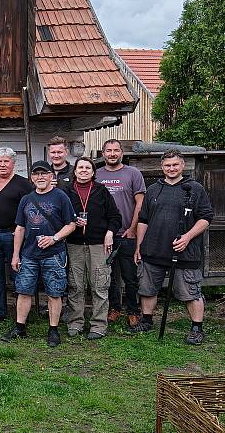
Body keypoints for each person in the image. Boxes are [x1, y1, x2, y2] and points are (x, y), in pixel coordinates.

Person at [131, 149, 213, 345]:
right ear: (162, 167)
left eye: (175, 165)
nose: (171, 168)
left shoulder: (194, 189)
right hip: (153, 249)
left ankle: (196, 328)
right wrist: (139, 246)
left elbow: (206, 218)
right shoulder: (153, 190)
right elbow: (143, 220)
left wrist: (187, 236)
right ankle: (147, 320)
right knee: (147, 288)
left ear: (182, 165)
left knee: (189, 291)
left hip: (184, 251)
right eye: (167, 165)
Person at [2, 161, 76, 347]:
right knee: (23, 291)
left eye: (44, 174)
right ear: (32, 178)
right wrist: (15, 255)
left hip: (54, 254)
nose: (40, 177)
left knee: (54, 293)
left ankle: (53, 330)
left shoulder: (60, 196)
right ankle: (19, 327)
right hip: (29, 254)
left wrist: (54, 238)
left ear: (51, 176)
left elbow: (71, 224)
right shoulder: (26, 199)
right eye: (36, 174)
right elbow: (19, 228)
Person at [64, 157, 121, 339]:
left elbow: (115, 217)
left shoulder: (101, 191)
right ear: (75, 171)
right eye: (80, 167)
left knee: (99, 285)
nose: (84, 170)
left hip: (98, 245)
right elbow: (58, 216)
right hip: (73, 244)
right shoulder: (65, 191)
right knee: (75, 285)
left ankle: (98, 324)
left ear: (93, 172)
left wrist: (110, 233)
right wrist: (72, 222)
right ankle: (75, 322)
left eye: (88, 168)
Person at [0, 147, 33, 322]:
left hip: (14, 234)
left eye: (6, 161)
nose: (2, 165)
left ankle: (21, 313)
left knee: (17, 273)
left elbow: (32, 209)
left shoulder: (23, 184)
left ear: (13, 163)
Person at [95, 139, 146, 328]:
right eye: (109, 151)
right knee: (109, 277)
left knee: (130, 277)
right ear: (103, 154)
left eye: (116, 150)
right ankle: (114, 308)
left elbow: (140, 204)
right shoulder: (97, 174)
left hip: (126, 235)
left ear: (121, 153)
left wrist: (132, 228)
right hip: (105, 236)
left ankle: (133, 311)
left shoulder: (133, 173)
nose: (112, 154)